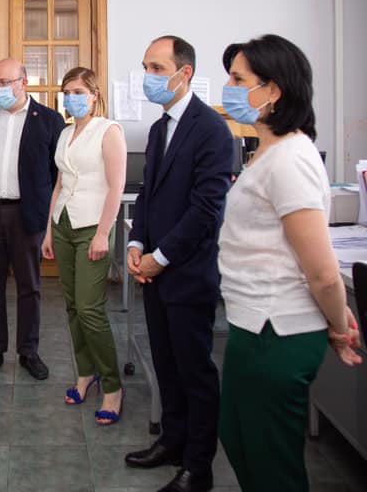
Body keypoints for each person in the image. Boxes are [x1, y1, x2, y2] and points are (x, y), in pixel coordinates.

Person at [216, 34, 362, 492]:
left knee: (271, 463)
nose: (228, 88)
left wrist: (337, 325)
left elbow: (322, 271)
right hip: (252, 323)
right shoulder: (268, 152)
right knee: (238, 438)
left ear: (274, 90)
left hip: (277, 329)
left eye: (238, 79)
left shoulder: (291, 159)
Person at [124, 36, 233, 492]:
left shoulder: (211, 130)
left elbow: (206, 209)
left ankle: (197, 467)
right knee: (165, 364)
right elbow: (148, 194)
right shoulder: (158, 129)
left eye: (157, 68)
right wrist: (136, 241)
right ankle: (172, 441)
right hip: (154, 270)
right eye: (145, 67)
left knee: (195, 372)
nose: (147, 76)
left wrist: (160, 257)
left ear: (184, 73)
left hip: (187, 272)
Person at [0, 57, 66, 380]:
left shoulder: (49, 120)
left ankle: (29, 351)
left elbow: (56, 173)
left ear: (24, 82)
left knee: (29, 286)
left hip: (28, 214)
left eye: (4, 83)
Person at [42, 67, 127, 424]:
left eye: (78, 92)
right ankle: (85, 372)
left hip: (93, 226)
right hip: (63, 224)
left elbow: (116, 186)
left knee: (91, 309)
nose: (71, 98)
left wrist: (103, 233)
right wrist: (49, 231)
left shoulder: (109, 131)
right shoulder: (65, 133)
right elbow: (60, 184)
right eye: (67, 92)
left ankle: (112, 385)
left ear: (94, 94)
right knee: (74, 306)